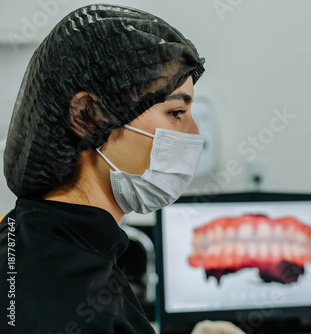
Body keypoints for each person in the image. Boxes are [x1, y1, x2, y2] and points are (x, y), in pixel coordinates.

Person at [0, 4, 243, 334]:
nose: (194, 134)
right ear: (87, 116)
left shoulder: (25, 237)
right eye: (176, 112)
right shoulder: (74, 299)